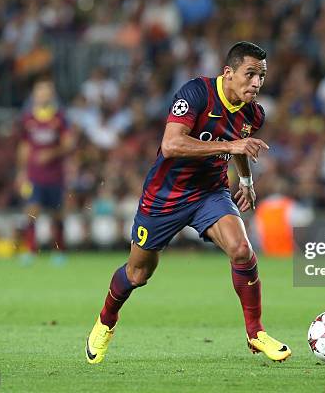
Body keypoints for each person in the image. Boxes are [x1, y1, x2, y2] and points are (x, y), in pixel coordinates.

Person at [86, 41, 291, 364]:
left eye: (261, 76)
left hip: (210, 192)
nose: (256, 83)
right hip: (165, 195)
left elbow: (239, 148)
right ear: (228, 73)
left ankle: (255, 333)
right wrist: (233, 145)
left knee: (241, 250)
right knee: (138, 274)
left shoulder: (254, 113)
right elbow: (171, 144)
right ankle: (106, 320)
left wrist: (247, 180)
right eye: (250, 74)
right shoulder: (197, 93)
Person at [16, 80, 73, 264]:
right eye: (40, 92)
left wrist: (52, 153)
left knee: (57, 213)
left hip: (55, 175)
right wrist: (21, 171)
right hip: (34, 175)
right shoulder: (28, 119)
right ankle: (31, 250)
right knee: (32, 211)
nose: (43, 95)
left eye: (46, 92)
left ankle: (59, 251)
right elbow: (24, 146)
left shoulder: (59, 118)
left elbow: (68, 143)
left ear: (51, 95)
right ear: (34, 95)